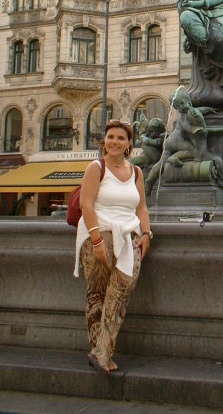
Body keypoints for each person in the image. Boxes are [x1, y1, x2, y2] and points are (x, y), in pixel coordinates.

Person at [74, 120, 152, 375]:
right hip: (98, 235)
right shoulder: (96, 168)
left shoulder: (136, 172)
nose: (114, 142)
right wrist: (97, 241)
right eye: (110, 137)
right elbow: (86, 205)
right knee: (97, 295)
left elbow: (141, 207)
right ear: (104, 141)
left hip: (129, 237)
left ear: (129, 144)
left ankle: (100, 352)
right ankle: (102, 353)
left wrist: (147, 233)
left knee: (120, 293)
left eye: (120, 138)